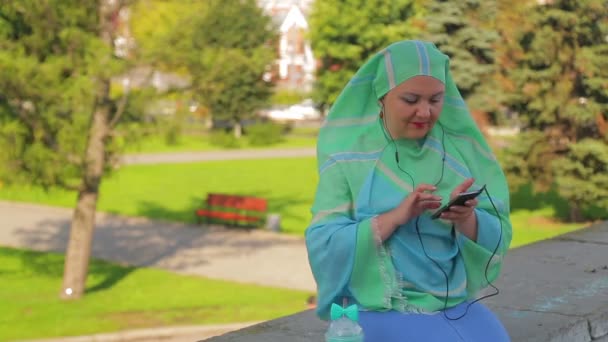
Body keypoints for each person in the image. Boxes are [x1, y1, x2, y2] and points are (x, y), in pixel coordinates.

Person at [305, 40, 513, 341]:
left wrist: (465, 218)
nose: (425, 112)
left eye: (436, 99)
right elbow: (323, 243)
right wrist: (394, 218)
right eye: (411, 99)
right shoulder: (347, 160)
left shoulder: (458, 156)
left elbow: (499, 231)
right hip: (379, 309)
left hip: (454, 304)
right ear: (382, 97)